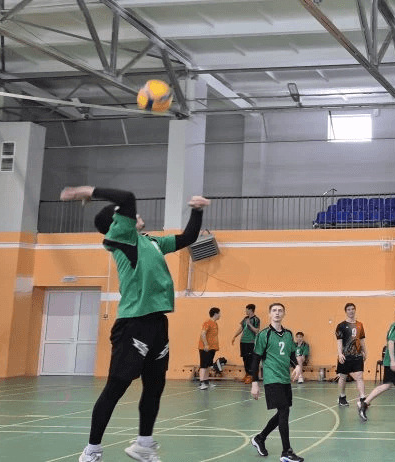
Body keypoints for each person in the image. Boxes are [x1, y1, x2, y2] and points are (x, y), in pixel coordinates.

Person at [61, 185, 208, 462]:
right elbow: (127, 198)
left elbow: (187, 237)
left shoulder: (151, 242)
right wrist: (86, 191)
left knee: (155, 387)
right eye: (128, 215)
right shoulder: (121, 238)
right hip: (133, 324)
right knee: (116, 387)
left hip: (157, 322)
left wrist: (197, 211)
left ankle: (143, 445)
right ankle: (92, 450)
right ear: (117, 223)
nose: (137, 214)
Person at [249, 303, 305, 462]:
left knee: (282, 412)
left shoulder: (288, 334)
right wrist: (254, 383)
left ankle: (260, 438)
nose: (277, 313)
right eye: (274, 310)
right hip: (272, 378)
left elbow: (291, 354)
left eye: (280, 310)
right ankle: (286, 451)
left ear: (284, 314)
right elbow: (256, 359)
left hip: (285, 378)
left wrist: (297, 366)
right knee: (284, 411)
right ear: (269, 314)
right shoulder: (264, 334)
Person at [335, 302, 367, 407]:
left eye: (352, 309)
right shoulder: (341, 326)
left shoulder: (360, 325)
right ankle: (342, 397)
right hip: (345, 355)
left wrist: (365, 351)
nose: (351, 311)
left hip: (357, 355)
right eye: (348, 309)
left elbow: (361, 340)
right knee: (343, 377)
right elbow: (339, 341)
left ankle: (362, 398)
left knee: (359, 376)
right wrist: (340, 354)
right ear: (346, 311)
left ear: (355, 310)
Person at [231, 304, 261, 384]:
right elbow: (241, 328)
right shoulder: (245, 318)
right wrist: (235, 336)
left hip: (251, 342)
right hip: (243, 341)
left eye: (246, 309)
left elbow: (257, 331)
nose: (245, 311)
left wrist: (249, 324)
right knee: (245, 358)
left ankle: (251, 376)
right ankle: (247, 374)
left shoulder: (256, 319)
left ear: (250, 310)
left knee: (250, 359)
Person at [198, 307, 221, 390]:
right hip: (205, 348)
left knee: (208, 366)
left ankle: (206, 381)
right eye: (219, 313)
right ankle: (201, 383)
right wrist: (206, 345)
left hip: (212, 348)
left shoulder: (215, 323)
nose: (220, 315)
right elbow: (203, 333)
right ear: (215, 314)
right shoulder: (207, 322)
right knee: (203, 365)